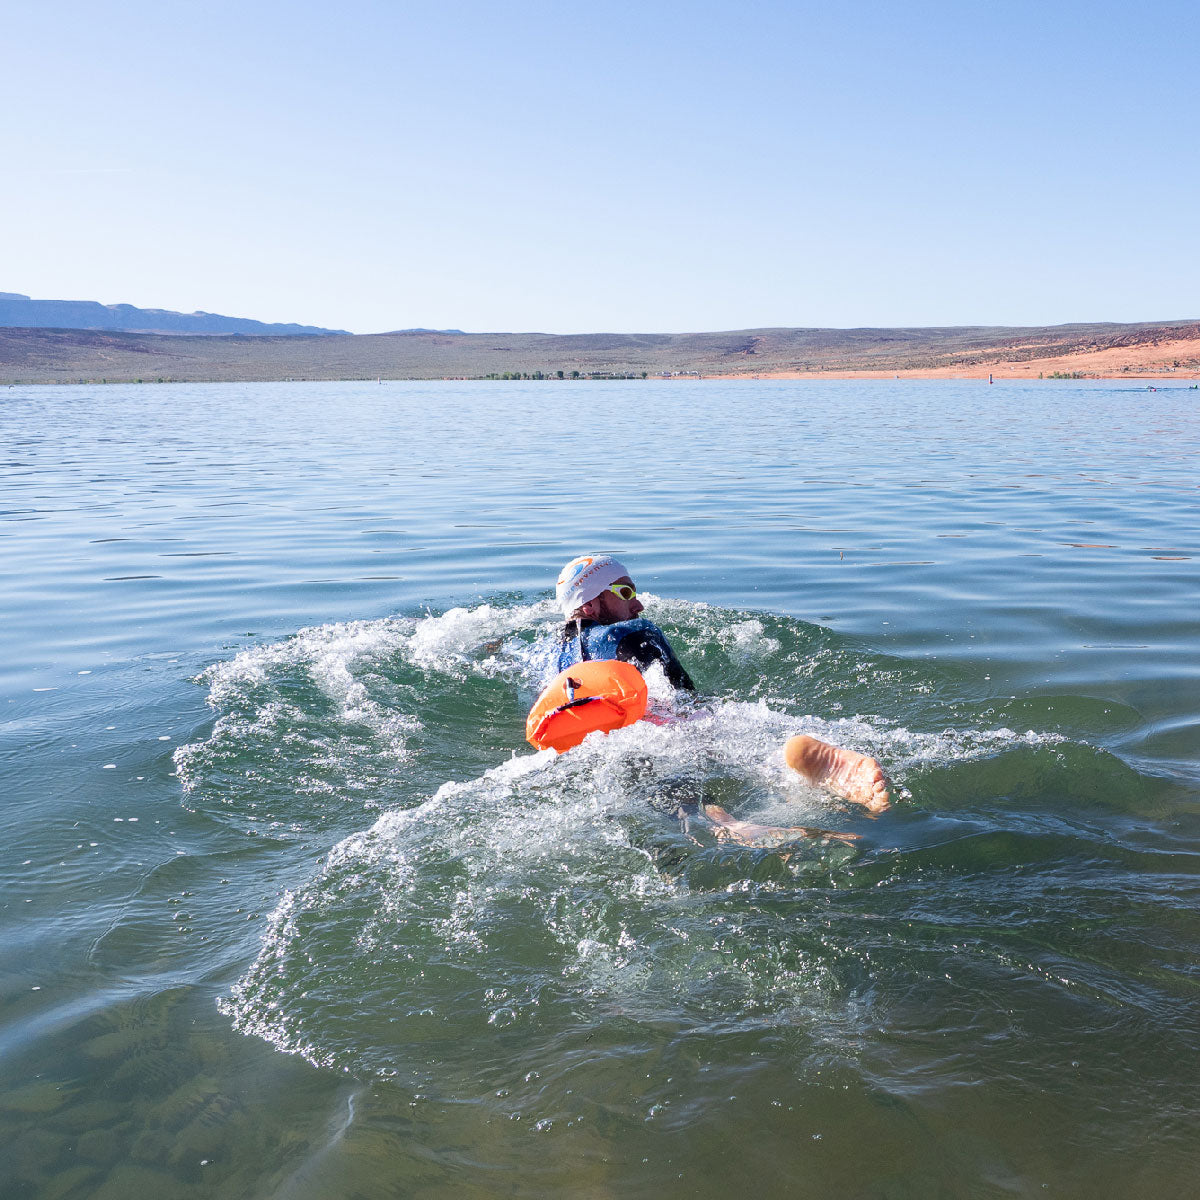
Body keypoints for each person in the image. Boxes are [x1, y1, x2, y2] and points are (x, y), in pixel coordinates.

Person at [551, 554, 891, 844]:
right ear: (590, 603)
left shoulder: (551, 654)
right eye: (625, 592)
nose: (638, 604)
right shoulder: (634, 633)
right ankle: (792, 762)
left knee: (658, 779)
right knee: (732, 746)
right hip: (675, 720)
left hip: (619, 735)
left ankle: (729, 824)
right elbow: (681, 695)